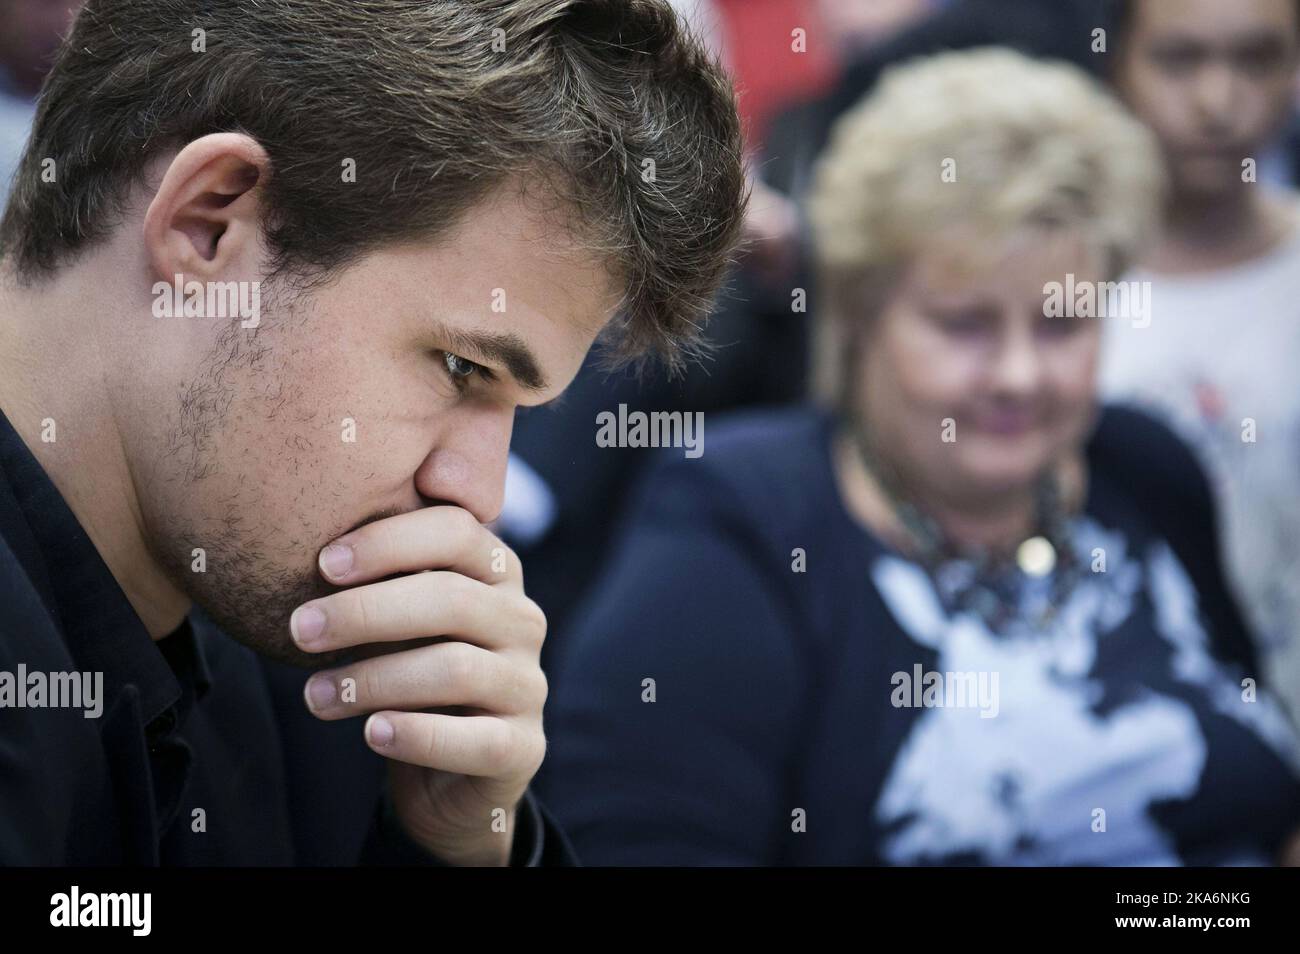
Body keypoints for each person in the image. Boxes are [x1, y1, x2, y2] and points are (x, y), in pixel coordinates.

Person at [0, 0, 747, 865]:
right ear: (208, 221)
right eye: (463, 369)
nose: (481, 496)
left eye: (520, 414)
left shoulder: (317, 656)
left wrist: (454, 846)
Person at [537, 48, 1300, 865]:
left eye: (1061, 324)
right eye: (964, 324)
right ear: (861, 316)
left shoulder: (1143, 467)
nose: (1017, 375)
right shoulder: (742, 520)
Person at [1099, 0, 1300, 728]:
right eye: (1179, 60)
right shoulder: (1052, 289)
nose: (1219, 101)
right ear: (1117, 61)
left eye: (1257, 58)